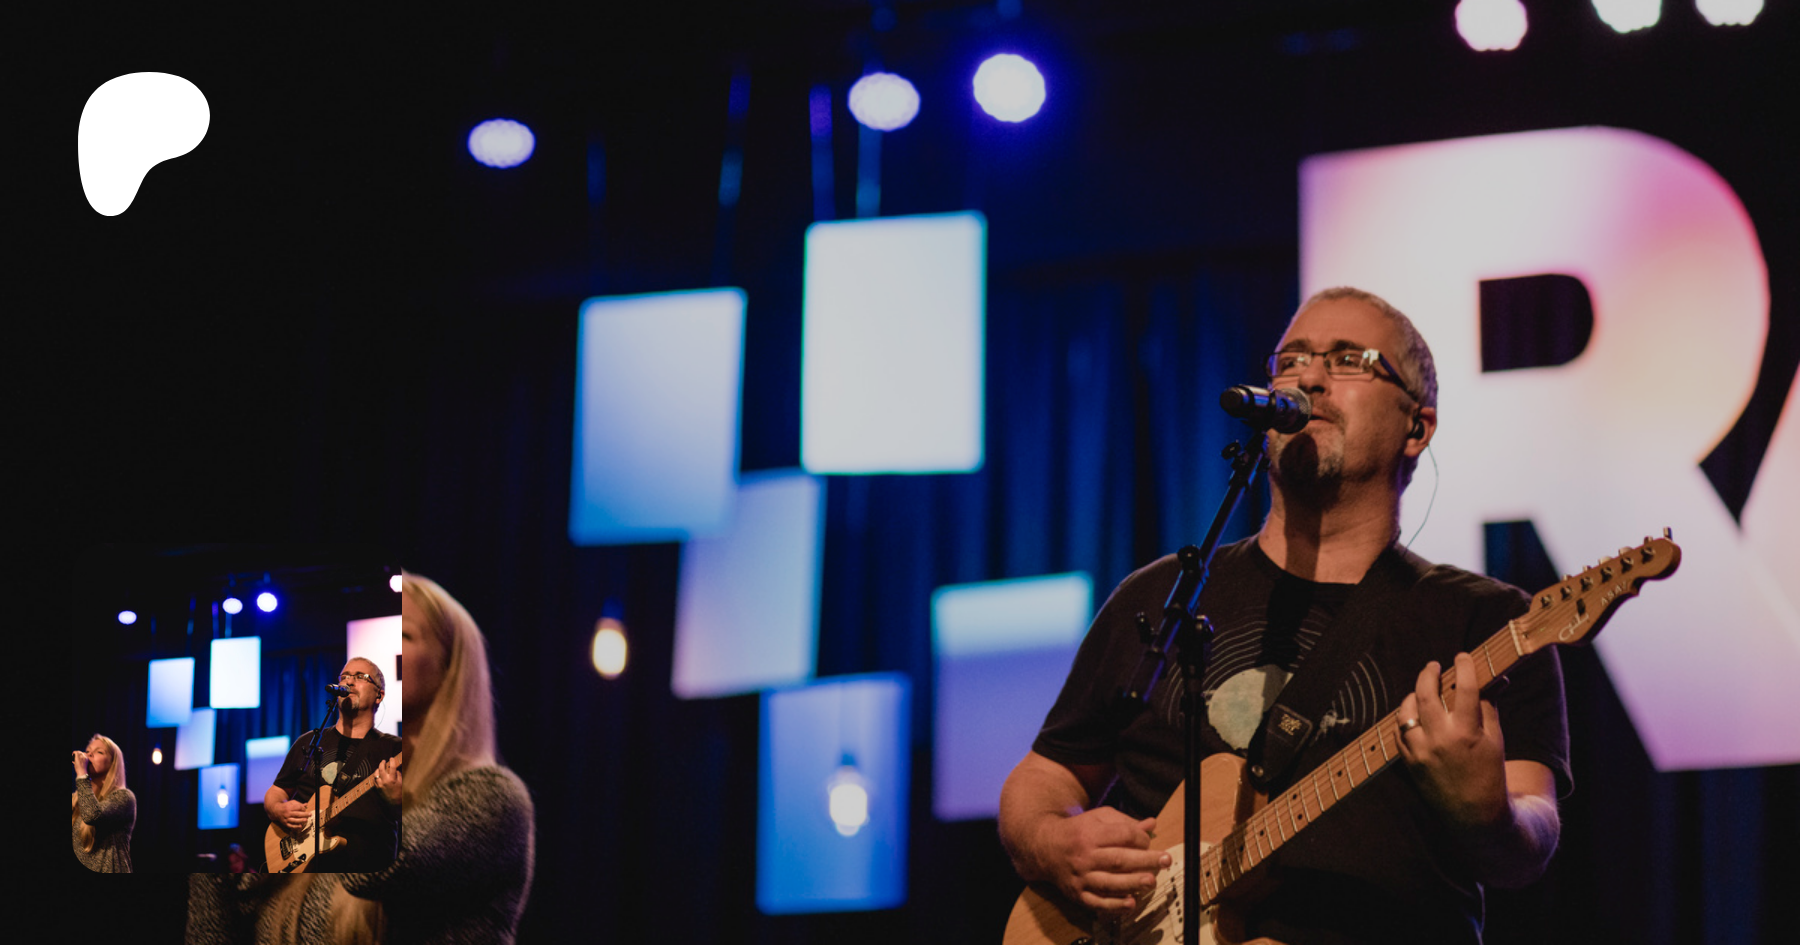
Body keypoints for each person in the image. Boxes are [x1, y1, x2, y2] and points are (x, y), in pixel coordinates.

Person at [998, 287, 1571, 944]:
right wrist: (1054, 840)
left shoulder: (1487, 619)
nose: (1310, 378)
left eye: (1350, 360)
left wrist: (1488, 813)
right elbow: (1046, 774)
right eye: (1291, 360)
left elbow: (1531, 836)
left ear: (1417, 427)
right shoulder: (1162, 595)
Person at [188, 571, 536, 945]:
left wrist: (382, 806)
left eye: (404, 634)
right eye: (345, 674)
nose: (350, 680)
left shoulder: (490, 796)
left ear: (449, 667)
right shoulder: (313, 744)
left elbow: (374, 871)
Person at [265, 656, 403, 873]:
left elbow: (420, 817)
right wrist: (278, 809)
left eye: (360, 677)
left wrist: (396, 799)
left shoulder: (396, 749)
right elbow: (276, 791)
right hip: (307, 869)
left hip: (366, 872)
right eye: (344, 676)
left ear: (379, 695)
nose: (349, 681)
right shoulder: (309, 742)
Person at [71, 733, 135, 872]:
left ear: (113, 763)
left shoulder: (124, 798)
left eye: (99, 752)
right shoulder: (75, 800)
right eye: (87, 751)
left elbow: (92, 815)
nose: (89, 754)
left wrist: (81, 774)